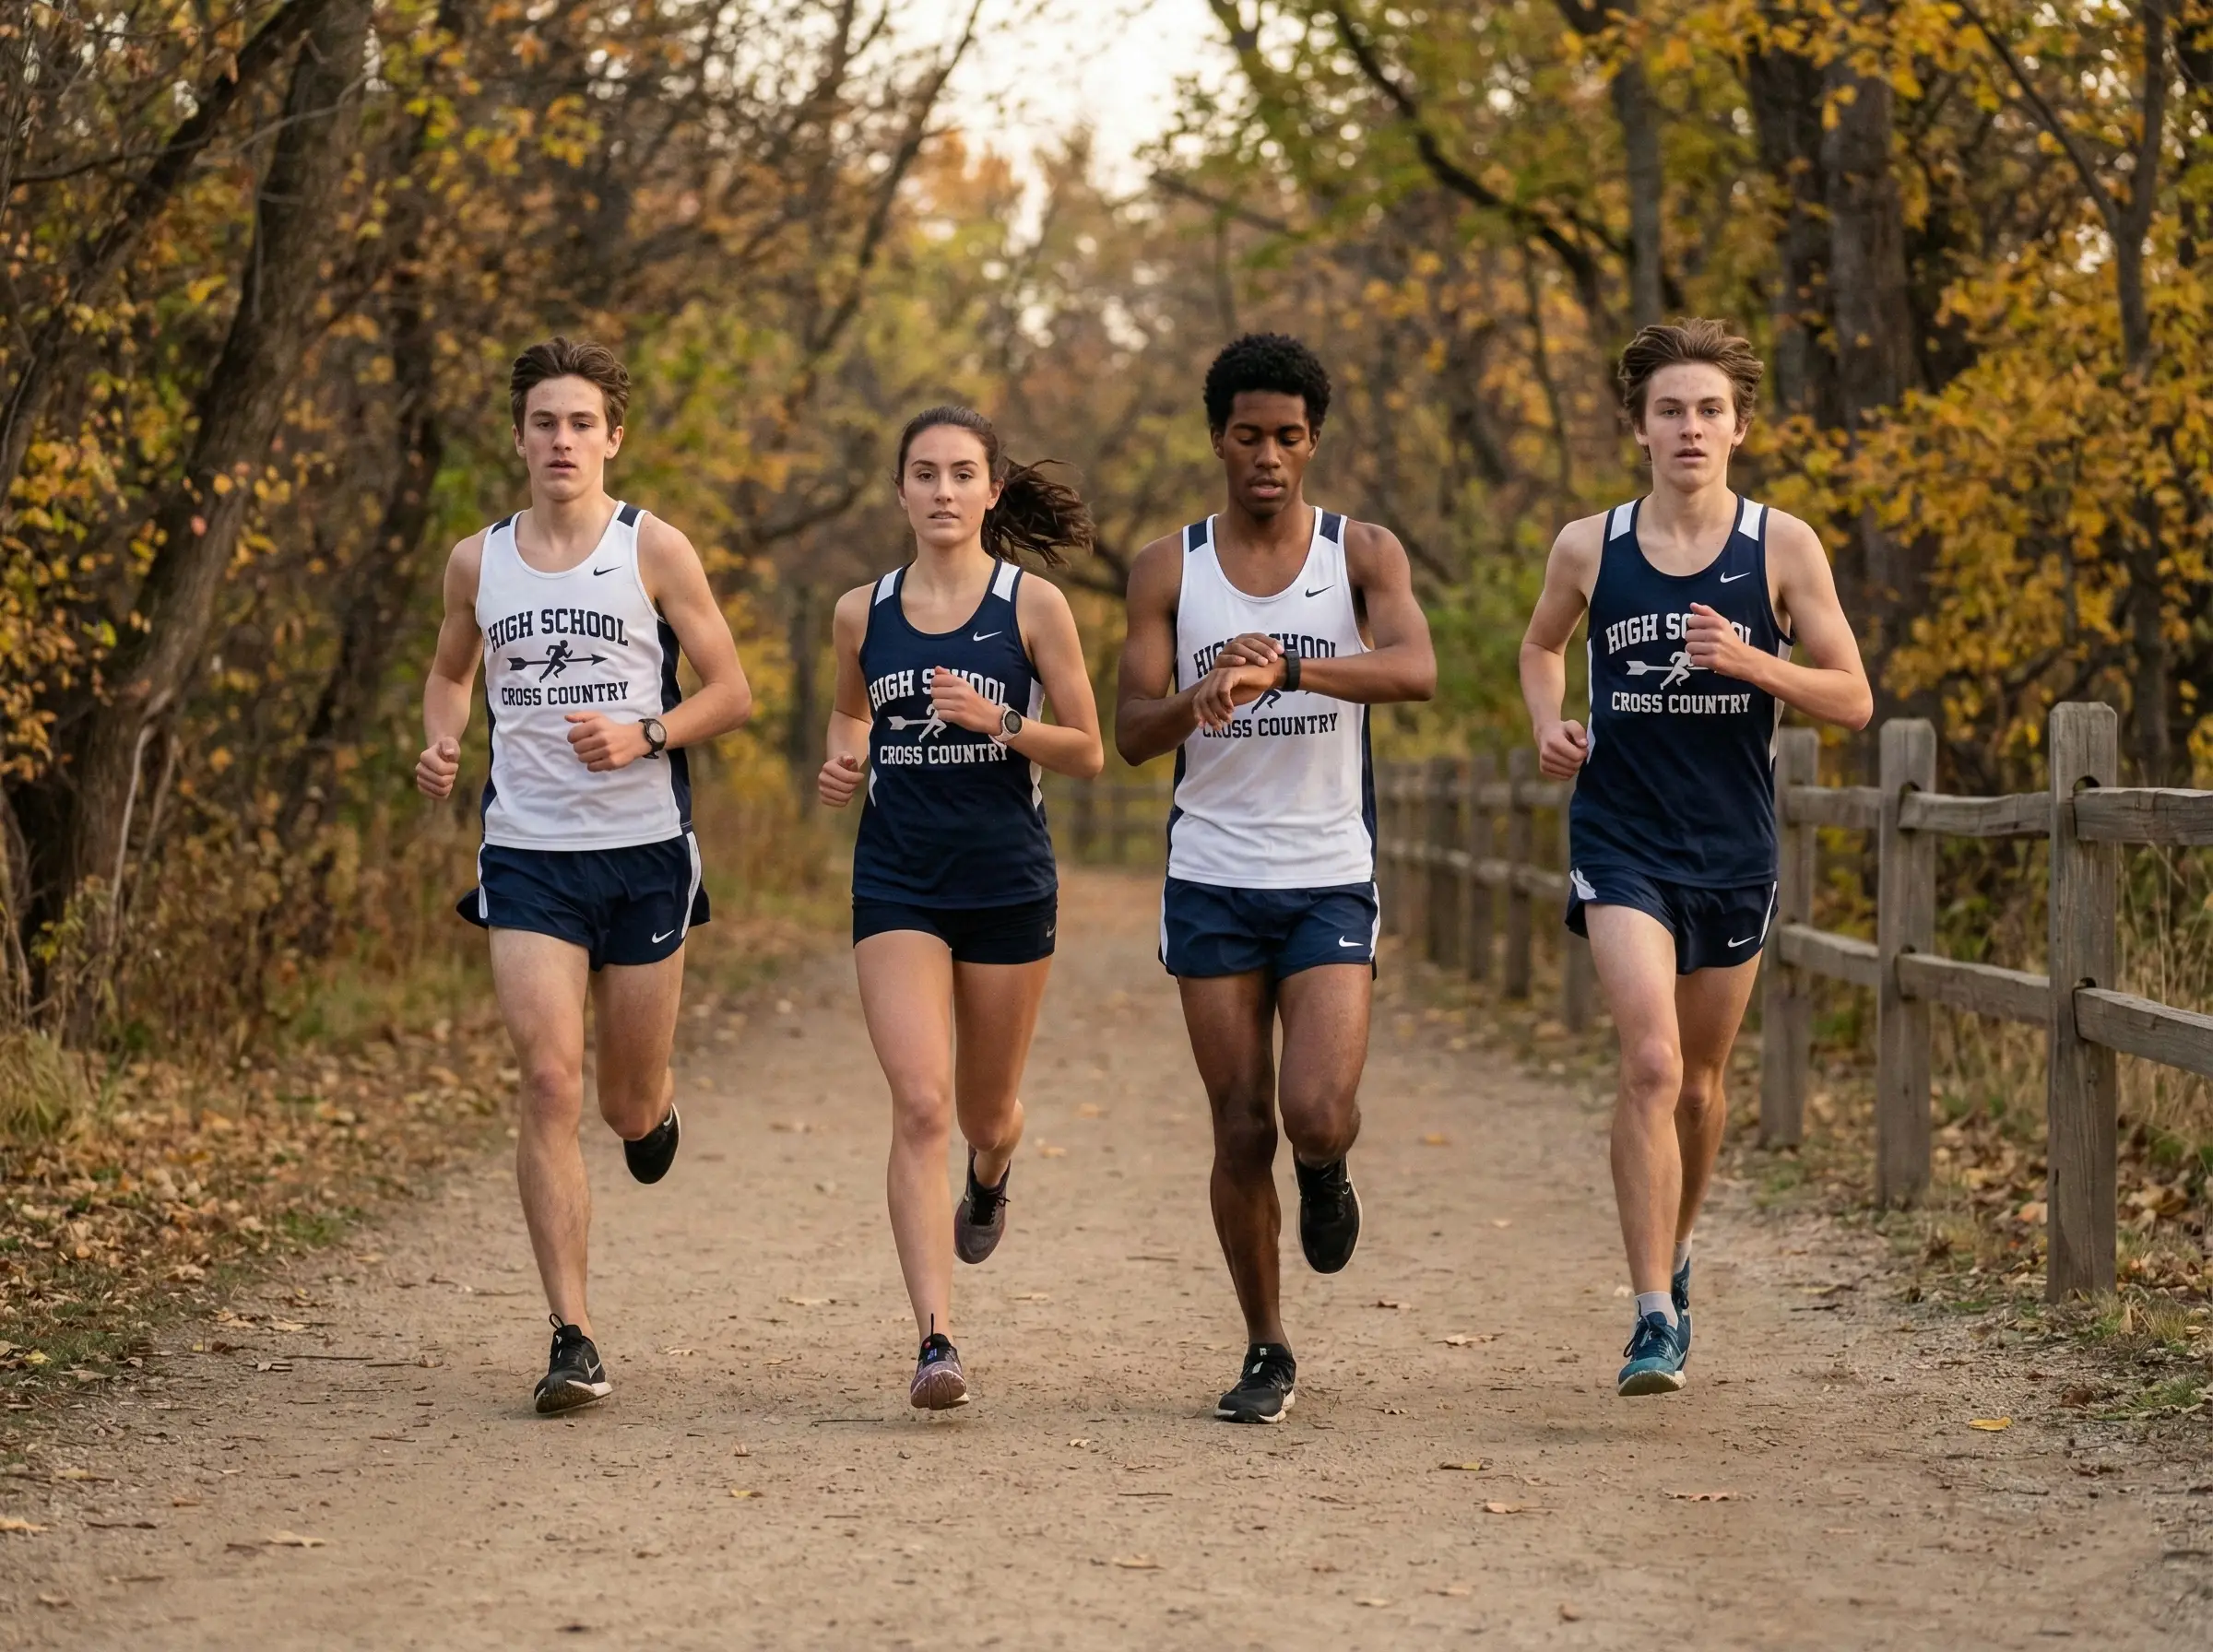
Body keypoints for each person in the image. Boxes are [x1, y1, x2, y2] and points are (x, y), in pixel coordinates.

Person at [1520, 318, 1871, 1397]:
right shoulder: (1590, 546)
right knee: (1652, 1063)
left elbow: (1853, 697)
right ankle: (1651, 1316)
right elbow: (1540, 644)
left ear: (1739, 427)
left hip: (1732, 848)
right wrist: (1547, 724)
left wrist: (1756, 662)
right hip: (1620, 835)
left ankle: (1675, 1250)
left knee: (1703, 1087)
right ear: (1639, 426)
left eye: (1709, 409)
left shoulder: (1783, 546)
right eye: (1669, 409)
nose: (1689, 427)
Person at [415, 337, 753, 1413]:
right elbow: (449, 670)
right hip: (528, 856)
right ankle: (574, 1336)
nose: (561, 440)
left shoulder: (653, 547)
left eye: (580, 423)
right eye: (543, 422)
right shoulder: (478, 562)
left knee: (620, 1100)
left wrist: (647, 733)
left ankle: (652, 1113)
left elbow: (732, 690)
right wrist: (441, 737)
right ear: (518, 438)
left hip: (645, 853)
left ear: (613, 438)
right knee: (550, 1081)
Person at [1115, 334, 1436, 1423]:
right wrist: (1199, 694)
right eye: (1248, 435)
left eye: (1288, 437)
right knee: (1242, 1123)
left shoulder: (1360, 553)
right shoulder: (1169, 567)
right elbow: (1131, 730)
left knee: (1315, 1109)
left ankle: (1329, 1168)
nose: (1267, 456)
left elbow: (1416, 669)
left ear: (1312, 442)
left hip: (1328, 869)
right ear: (1218, 438)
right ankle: (1266, 1345)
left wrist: (1288, 666)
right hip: (1211, 873)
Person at [817, 406, 1104, 1410]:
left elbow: (1089, 750)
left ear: (991, 490)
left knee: (984, 1113)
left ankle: (992, 1170)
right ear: (900, 490)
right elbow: (850, 709)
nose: (943, 491)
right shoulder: (862, 611)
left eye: (961, 474)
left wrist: (1002, 720)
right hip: (897, 881)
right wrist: (844, 757)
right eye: (925, 474)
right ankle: (935, 1339)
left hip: (1007, 883)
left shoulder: (1034, 606)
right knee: (920, 1103)